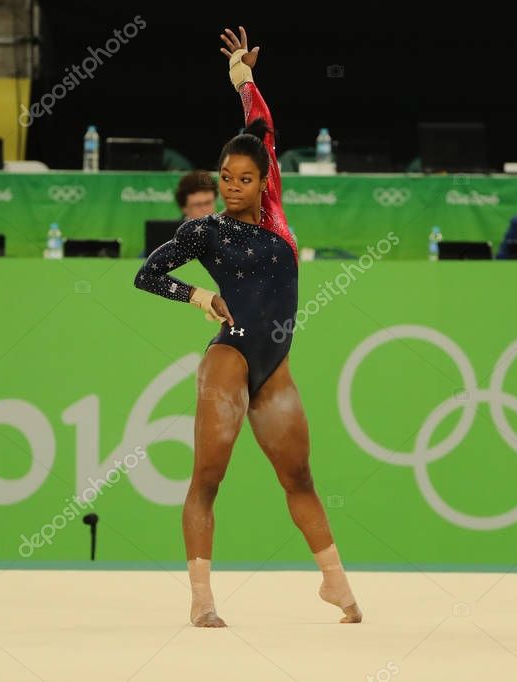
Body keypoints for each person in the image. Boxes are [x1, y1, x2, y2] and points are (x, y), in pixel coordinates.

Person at [133, 26, 362, 628]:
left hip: (274, 367)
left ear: (264, 181)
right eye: (224, 178)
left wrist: (242, 74)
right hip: (230, 356)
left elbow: (262, 123)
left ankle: (336, 585)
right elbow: (147, 274)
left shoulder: (276, 210)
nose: (231, 188)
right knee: (208, 477)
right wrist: (197, 294)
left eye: (243, 179)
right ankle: (202, 598)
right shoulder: (204, 230)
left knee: (300, 476)